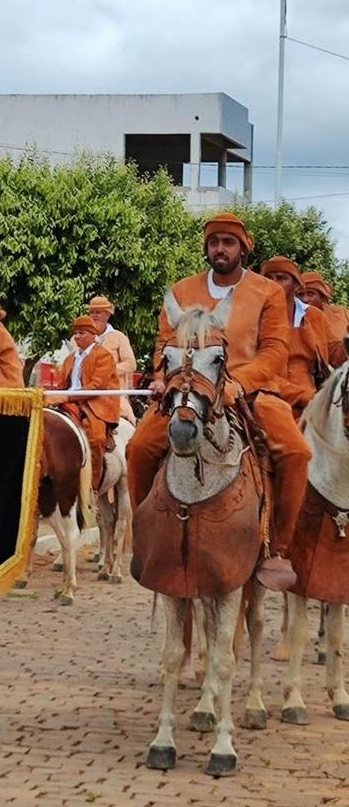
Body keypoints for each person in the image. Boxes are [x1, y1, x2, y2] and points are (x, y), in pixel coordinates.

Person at [127, 212, 309, 588]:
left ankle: (278, 547)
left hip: (251, 390)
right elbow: (164, 345)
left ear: (244, 248)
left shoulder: (267, 292)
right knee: (139, 448)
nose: (220, 249)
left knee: (296, 453)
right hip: (187, 392)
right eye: (214, 242)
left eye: (228, 242)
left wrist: (237, 384)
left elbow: (275, 350)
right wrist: (163, 378)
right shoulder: (181, 291)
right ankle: (143, 537)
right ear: (206, 249)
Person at [53, 315, 119, 487]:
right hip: (69, 402)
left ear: (92, 335)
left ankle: (92, 486)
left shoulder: (104, 356)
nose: (77, 336)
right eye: (76, 333)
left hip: (95, 404)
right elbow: (61, 385)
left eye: (81, 333)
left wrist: (68, 396)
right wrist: (54, 396)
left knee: (96, 438)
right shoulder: (70, 359)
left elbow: (97, 386)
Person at [261, 257, 329, 417]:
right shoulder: (253, 318)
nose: (274, 283)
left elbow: (337, 354)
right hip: (271, 402)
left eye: (282, 278)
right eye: (269, 279)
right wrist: (305, 397)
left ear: (296, 285)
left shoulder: (315, 316)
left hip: (314, 402)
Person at [85, 296, 138, 423]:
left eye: (98, 312)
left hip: (113, 393)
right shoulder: (79, 338)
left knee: (129, 419)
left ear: (107, 315)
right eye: (91, 312)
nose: (94, 316)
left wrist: (107, 370)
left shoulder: (119, 337)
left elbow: (131, 364)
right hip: (84, 391)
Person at [298, 271, 349, 367]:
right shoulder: (289, 319)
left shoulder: (342, 313)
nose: (305, 299)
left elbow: (336, 356)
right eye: (300, 294)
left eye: (310, 293)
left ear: (322, 297)